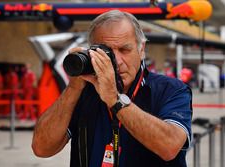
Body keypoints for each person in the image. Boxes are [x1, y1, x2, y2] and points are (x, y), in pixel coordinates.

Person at [32, 10, 192, 167]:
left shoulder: (171, 90)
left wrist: (114, 99)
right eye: (106, 51)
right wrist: (73, 88)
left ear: (141, 49)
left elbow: (169, 147)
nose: (117, 61)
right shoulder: (84, 90)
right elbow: (41, 148)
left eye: (124, 50)